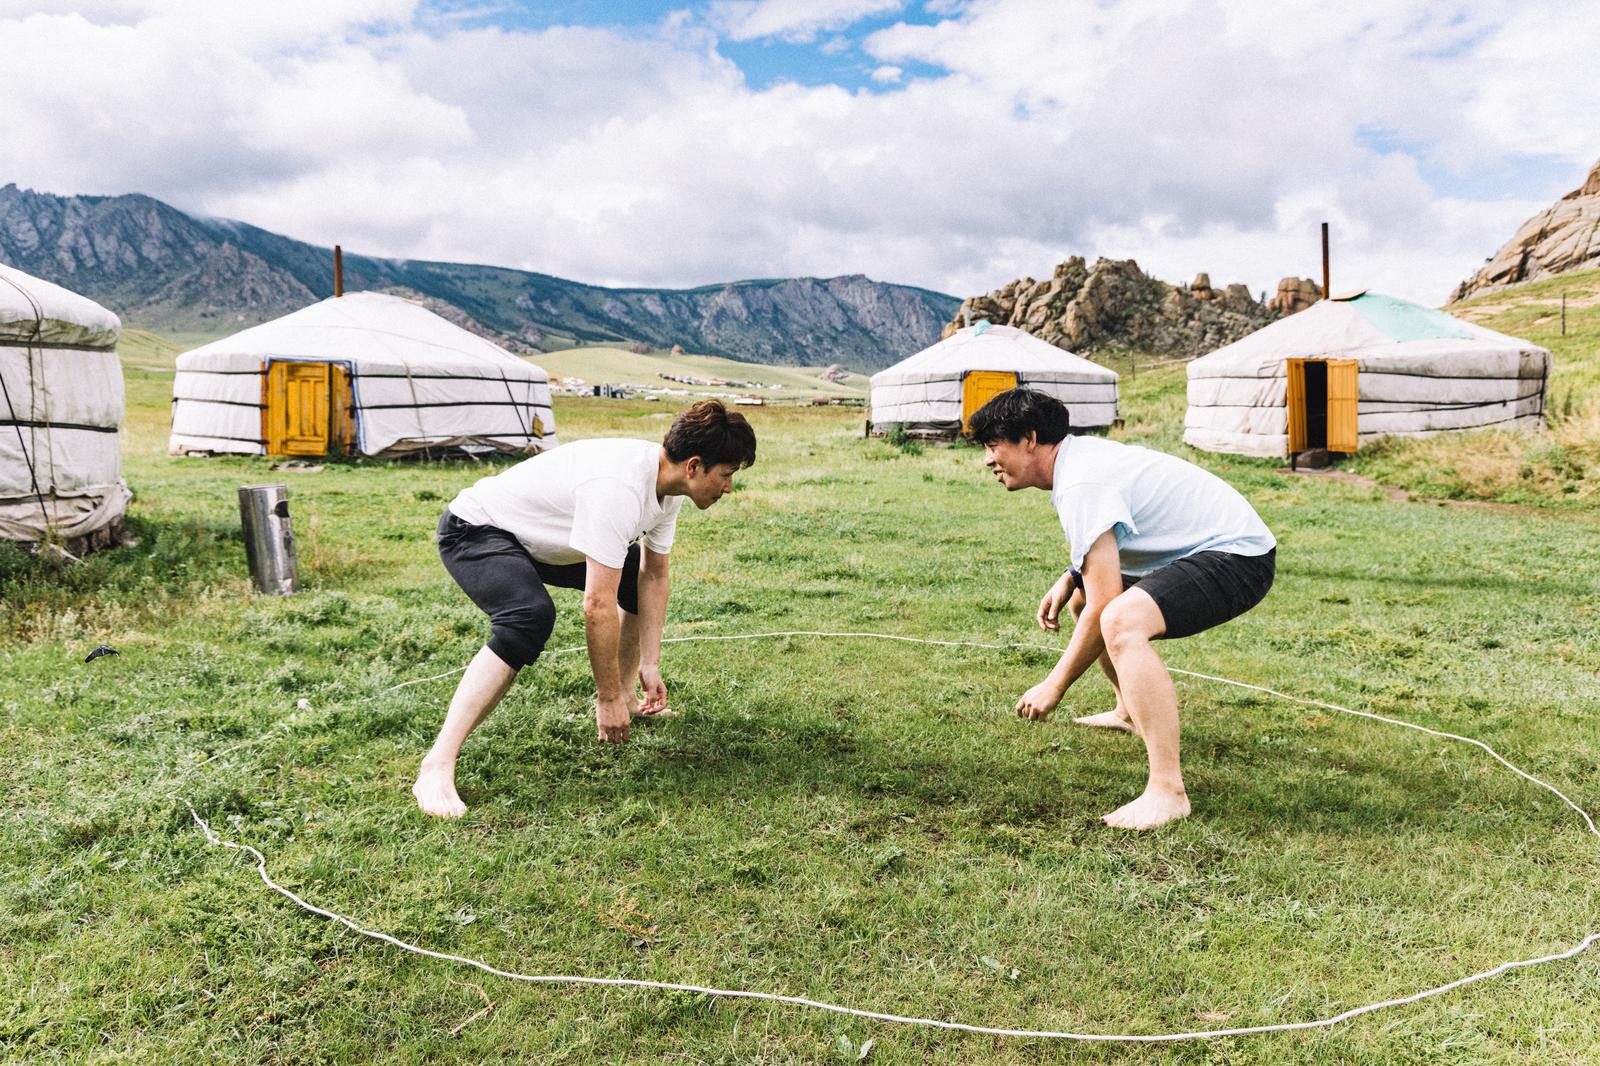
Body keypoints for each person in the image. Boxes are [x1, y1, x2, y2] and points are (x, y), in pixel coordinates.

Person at [412, 399, 757, 819]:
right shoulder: (618, 487)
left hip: (540, 540)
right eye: (726, 474)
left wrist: (650, 663)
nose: (728, 487)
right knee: (528, 617)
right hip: (476, 530)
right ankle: (438, 764)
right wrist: (604, 697)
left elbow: (653, 575)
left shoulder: (667, 488)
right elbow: (597, 605)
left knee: (632, 571)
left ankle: (631, 699)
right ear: (694, 466)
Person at [970, 388, 1275, 830]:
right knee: (1084, 599)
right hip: (1214, 548)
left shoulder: (1082, 482)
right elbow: (1115, 538)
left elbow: (1105, 604)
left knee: (1119, 620)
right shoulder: (1078, 462)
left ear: (1029, 439)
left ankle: (1168, 791)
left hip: (1240, 557)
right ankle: (1128, 710)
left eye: (992, 446)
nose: (988, 460)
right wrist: (1072, 576)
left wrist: (1054, 686)